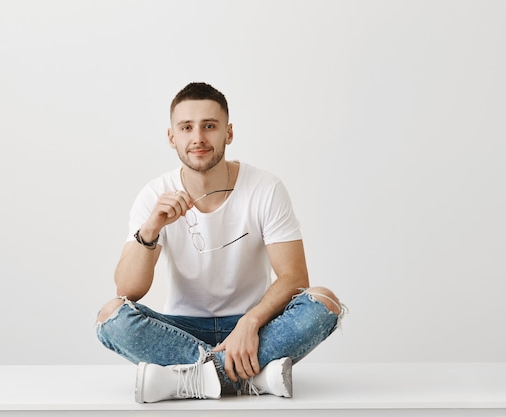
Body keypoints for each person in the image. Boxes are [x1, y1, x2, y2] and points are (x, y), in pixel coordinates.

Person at [95, 82, 346, 403]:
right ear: (172, 137)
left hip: (253, 328)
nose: (198, 138)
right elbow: (127, 291)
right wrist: (151, 227)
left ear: (228, 133)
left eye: (209, 126)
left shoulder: (265, 188)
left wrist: (250, 322)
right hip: (179, 330)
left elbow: (295, 279)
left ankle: (186, 379)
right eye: (186, 127)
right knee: (111, 316)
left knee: (324, 302)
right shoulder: (154, 194)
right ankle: (251, 378)